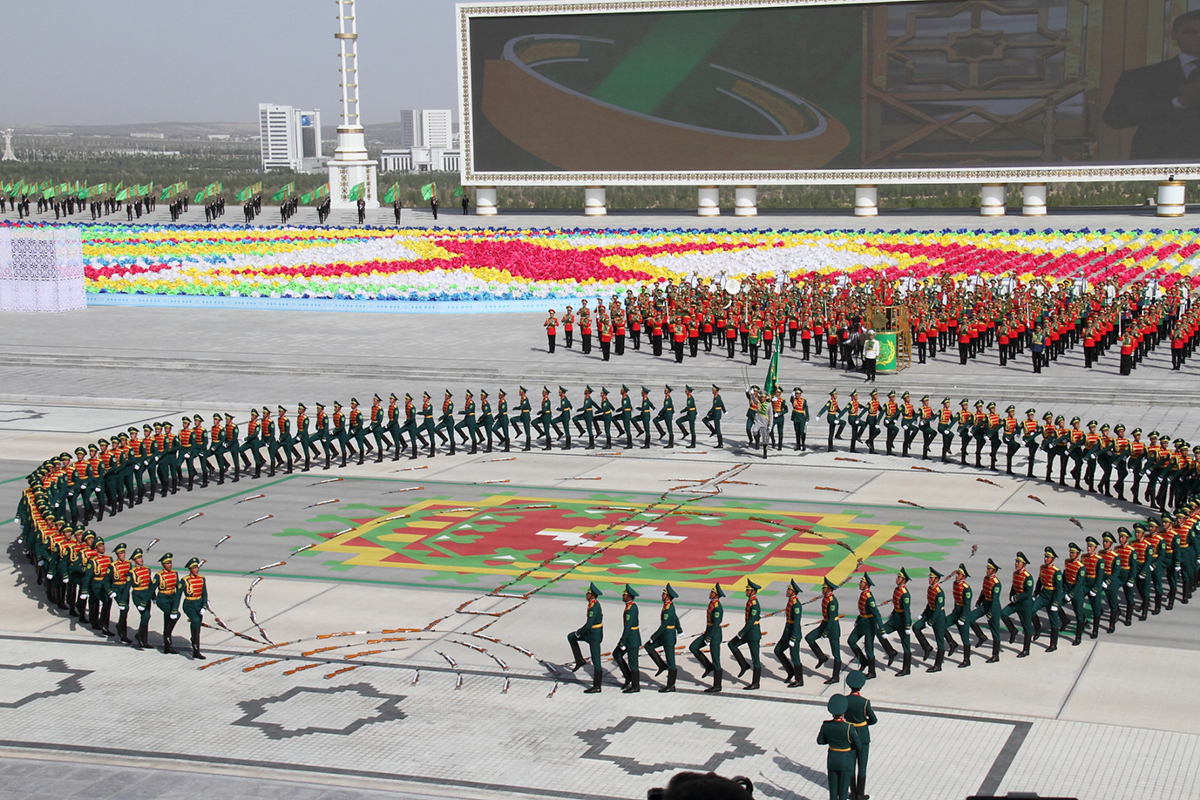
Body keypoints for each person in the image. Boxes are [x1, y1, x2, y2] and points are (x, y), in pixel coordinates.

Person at [1103, 11, 1200, 161]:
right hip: (1159, 164)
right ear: (1174, 35)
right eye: (1191, 32)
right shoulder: (1143, 77)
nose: (1198, 37)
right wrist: (1178, 102)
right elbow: (1114, 117)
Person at [844, 670, 878, 800]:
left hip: (850, 735)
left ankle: (853, 793)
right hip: (863, 735)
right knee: (862, 765)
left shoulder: (845, 700)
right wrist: (864, 724)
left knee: (851, 764)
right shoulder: (864, 702)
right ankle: (860, 793)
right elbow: (874, 719)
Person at [818, 694, 859, 800]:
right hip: (845, 759)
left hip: (832, 759)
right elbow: (858, 744)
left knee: (833, 791)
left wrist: (831, 740)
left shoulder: (826, 725)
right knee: (843, 791)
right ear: (843, 712)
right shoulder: (848, 727)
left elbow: (820, 741)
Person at [567, 582, 604, 693]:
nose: (586, 595)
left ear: (592, 595)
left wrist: (579, 632)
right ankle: (580, 660)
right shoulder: (592, 604)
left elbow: (589, 624)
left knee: (596, 660)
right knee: (570, 637)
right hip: (591, 633)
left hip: (594, 635)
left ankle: (597, 686)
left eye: (588, 593)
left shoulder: (594, 607)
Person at [645, 584, 681, 693]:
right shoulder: (668, 606)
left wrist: (654, 636)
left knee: (671, 661)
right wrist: (679, 629)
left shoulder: (668, 608)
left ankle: (671, 685)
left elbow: (664, 625)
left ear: (668, 597)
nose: (662, 595)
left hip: (668, 636)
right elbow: (675, 618)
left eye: (664, 594)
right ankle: (661, 665)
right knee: (648, 647)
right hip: (665, 635)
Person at [805, 577, 842, 685]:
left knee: (836, 654)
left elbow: (831, 619)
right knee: (809, 638)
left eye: (824, 588)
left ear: (829, 589)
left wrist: (826, 632)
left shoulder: (832, 601)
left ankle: (835, 677)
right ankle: (821, 657)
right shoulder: (826, 598)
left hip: (832, 628)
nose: (822, 589)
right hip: (825, 624)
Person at [690, 583, 725, 693]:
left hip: (714, 635)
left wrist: (709, 637)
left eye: (712, 592)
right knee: (693, 647)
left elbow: (716, 624)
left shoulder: (717, 607)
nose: (710, 594)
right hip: (709, 632)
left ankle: (717, 685)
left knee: (716, 660)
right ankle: (708, 666)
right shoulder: (712, 604)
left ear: (716, 595)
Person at [728, 579, 762, 690]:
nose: (745, 591)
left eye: (747, 590)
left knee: (755, 659)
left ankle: (755, 683)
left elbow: (751, 621)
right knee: (732, 645)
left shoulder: (755, 604)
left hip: (752, 634)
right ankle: (744, 665)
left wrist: (741, 633)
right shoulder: (750, 602)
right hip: (748, 632)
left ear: (753, 592)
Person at [846, 573, 880, 680]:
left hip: (869, 625)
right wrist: (857, 620)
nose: (859, 584)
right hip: (862, 622)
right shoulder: (863, 594)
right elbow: (861, 610)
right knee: (851, 641)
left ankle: (872, 672)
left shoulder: (869, 597)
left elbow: (876, 613)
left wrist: (881, 628)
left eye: (861, 582)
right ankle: (863, 661)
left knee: (869, 649)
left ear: (866, 585)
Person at [774, 578, 804, 687]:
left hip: (793, 634)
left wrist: (793, 637)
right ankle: (790, 672)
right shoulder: (791, 601)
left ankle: (799, 680)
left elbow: (796, 623)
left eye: (789, 590)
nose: (787, 591)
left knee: (795, 656)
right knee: (778, 650)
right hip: (787, 632)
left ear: (793, 592)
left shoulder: (796, 605)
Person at [612, 584, 641, 693]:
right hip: (630, 637)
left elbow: (628, 627)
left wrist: (623, 641)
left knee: (633, 663)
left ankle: (635, 686)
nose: (622, 596)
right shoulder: (632, 606)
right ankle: (628, 676)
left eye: (624, 595)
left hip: (632, 639)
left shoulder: (630, 609)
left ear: (629, 597)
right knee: (616, 654)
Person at [152, 552, 181, 654]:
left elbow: (178, 587)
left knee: (168, 619)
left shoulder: (174, 573)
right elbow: (152, 588)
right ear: (163, 564)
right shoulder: (159, 575)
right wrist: (153, 597)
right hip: (163, 598)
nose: (169, 565)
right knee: (175, 615)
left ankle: (167, 646)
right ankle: (167, 635)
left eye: (170, 563)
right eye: (167, 563)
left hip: (172, 597)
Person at [181, 556, 208, 659]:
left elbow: (204, 593)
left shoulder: (202, 579)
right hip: (189, 604)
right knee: (195, 620)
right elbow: (178, 595)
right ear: (190, 569)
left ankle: (195, 645)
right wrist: (174, 609)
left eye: (197, 567)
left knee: (198, 627)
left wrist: (204, 606)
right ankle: (195, 650)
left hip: (199, 604)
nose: (196, 569)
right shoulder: (185, 580)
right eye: (194, 568)